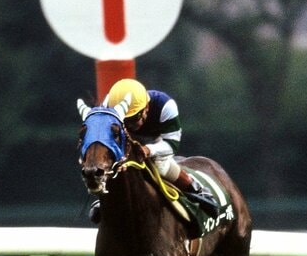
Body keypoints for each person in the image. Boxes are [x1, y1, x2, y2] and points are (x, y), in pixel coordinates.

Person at [88, 78, 221, 223]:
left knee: (160, 166)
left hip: (157, 141)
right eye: (126, 120)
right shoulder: (108, 106)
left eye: (134, 118)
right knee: (113, 165)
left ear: (146, 107)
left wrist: (149, 150)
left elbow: (172, 143)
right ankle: (104, 199)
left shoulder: (165, 106)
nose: (130, 124)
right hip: (125, 141)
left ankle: (196, 190)